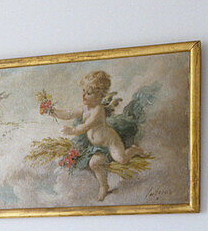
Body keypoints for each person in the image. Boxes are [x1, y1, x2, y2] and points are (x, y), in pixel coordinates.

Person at [48, 70, 148, 201]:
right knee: (93, 164)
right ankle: (104, 186)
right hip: (98, 147)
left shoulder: (98, 110)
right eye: (83, 91)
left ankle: (134, 150)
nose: (84, 96)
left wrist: (72, 131)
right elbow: (68, 113)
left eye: (88, 93)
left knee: (121, 159)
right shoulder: (84, 108)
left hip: (111, 143)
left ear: (99, 96)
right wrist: (53, 111)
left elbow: (86, 126)